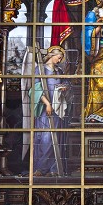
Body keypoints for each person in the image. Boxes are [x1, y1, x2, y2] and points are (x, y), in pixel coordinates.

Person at [32, 45, 69, 176]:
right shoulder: (40, 70)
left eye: (61, 59)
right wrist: (47, 103)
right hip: (45, 109)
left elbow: (65, 84)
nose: (59, 61)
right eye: (58, 58)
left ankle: (53, 169)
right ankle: (40, 169)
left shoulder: (59, 71)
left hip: (57, 108)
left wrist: (63, 88)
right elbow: (34, 89)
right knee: (45, 138)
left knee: (56, 139)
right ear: (52, 55)